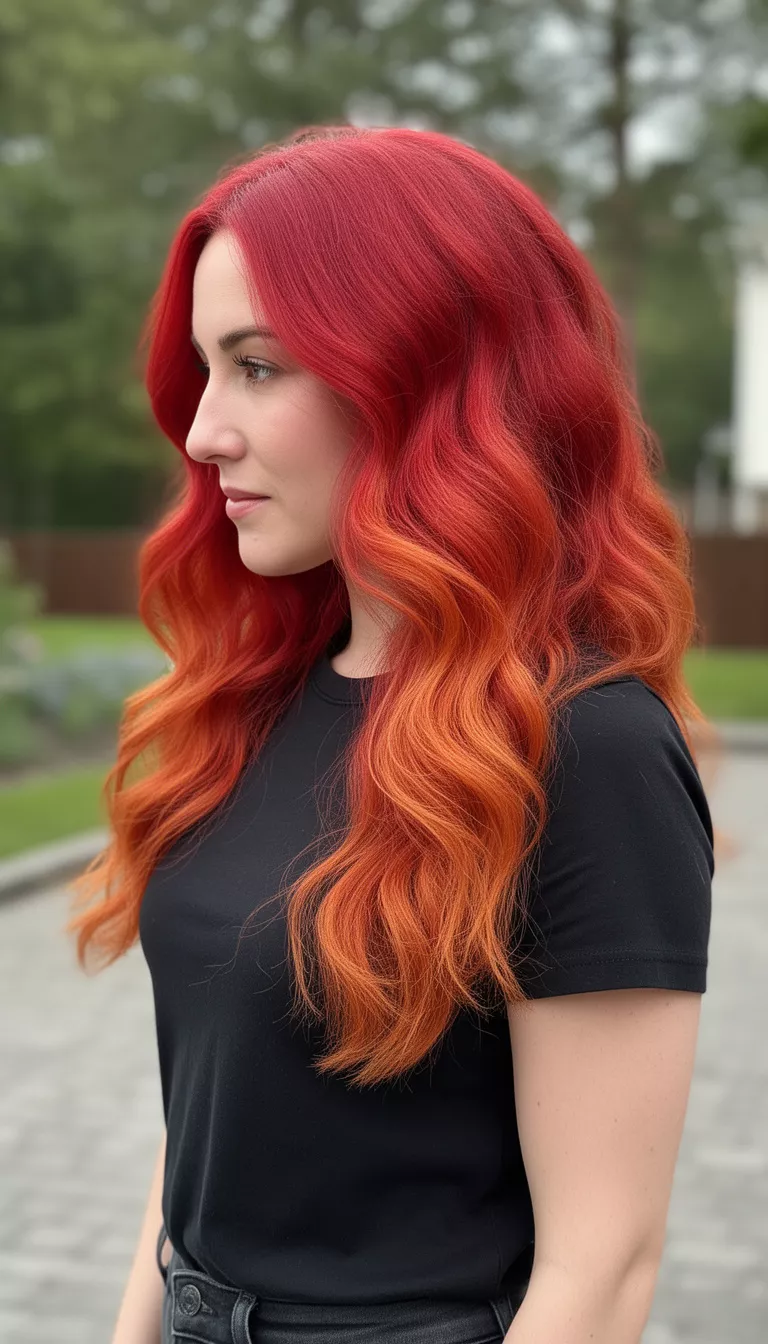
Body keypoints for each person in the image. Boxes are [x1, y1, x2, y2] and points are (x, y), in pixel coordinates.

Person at [66, 124, 716, 1344]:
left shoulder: (586, 748)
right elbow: (212, 1112)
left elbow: (604, 1264)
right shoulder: (252, 702)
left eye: (257, 366)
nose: (203, 433)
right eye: (206, 370)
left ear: (425, 375)